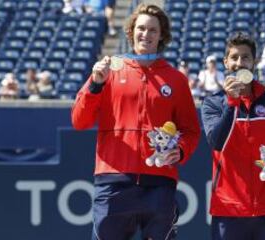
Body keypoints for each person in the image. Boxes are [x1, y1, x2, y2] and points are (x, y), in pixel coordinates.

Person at [71, 3, 200, 240]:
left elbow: (191, 130)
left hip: (160, 182)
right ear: (131, 33)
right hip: (113, 180)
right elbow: (80, 121)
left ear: (162, 35)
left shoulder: (176, 79)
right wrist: (95, 85)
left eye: (153, 30)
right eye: (141, 29)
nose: (146, 35)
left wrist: (180, 151)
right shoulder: (109, 70)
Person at [201, 32, 265, 240]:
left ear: (254, 62)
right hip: (229, 208)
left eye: (245, 57)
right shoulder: (213, 104)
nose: (239, 62)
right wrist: (232, 103)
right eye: (234, 57)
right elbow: (217, 142)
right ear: (226, 62)